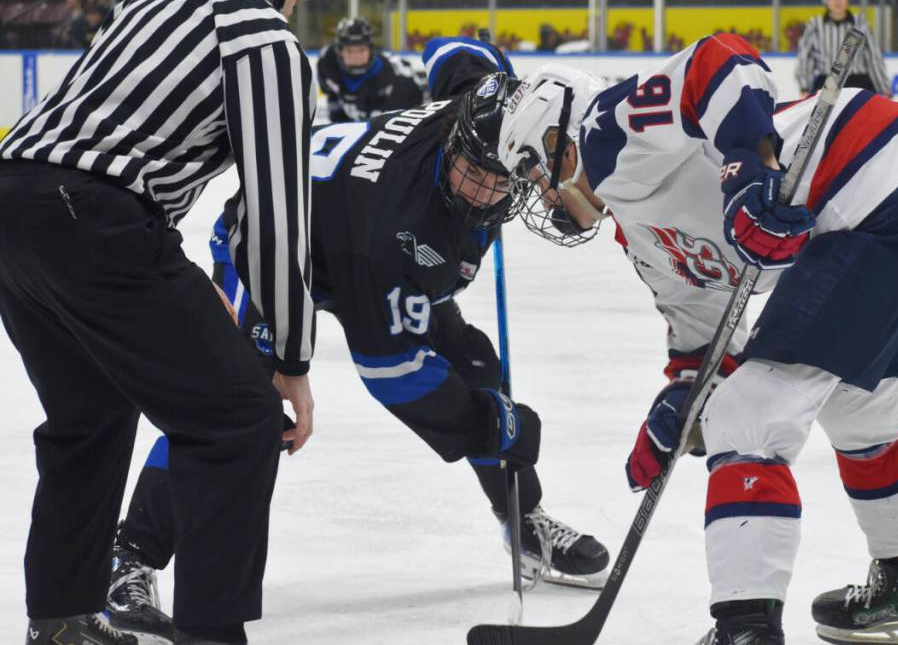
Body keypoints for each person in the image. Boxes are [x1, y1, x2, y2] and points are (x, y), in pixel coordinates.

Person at [103, 37, 610, 642]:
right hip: (275, 247)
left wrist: (511, 84)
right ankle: (129, 555)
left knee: (477, 365)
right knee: (240, 405)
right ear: (453, 148)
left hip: (357, 234)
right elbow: (391, 372)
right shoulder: (392, 231)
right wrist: (488, 428)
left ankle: (521, 518)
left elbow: (451, 52)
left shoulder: (472, 116)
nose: (480, 192)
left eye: (497, 179)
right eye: (470, 173)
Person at [499, 33, 898, 644]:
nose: (540, 195)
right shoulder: (644, 243)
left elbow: (717, 61)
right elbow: (706, 347)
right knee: (863, 413)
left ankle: (746, 631)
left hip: (873, 185)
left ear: (558, 137)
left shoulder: (607, 132)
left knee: (746, 419)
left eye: (534, 171)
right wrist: (681, 399)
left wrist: (750, 174)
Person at [0, 0, 331, 643]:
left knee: (88, 414)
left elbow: (101, 137)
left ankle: (61, 619)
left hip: (15, 206)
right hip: (95, 220)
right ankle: (214, 635)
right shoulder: (263, 37)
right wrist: (289, 354)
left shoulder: (150, 0)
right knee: (238, 417)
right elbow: (273, 215)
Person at [316, 17, 426, 123]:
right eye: (349, 50)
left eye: (361, 49)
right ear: (339, 51)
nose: (356, 56)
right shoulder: (327, 63)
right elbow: (330, 92)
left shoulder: (392, 77)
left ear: (371, 49)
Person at [796, 0, 891, 97]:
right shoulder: (815, 25)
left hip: (858, 83)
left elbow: (873, 58)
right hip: (827, 83)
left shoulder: (860, 24)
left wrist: (883, 88)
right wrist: (805, 87)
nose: (837, 1)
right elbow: (806, 57)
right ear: (825, 0)